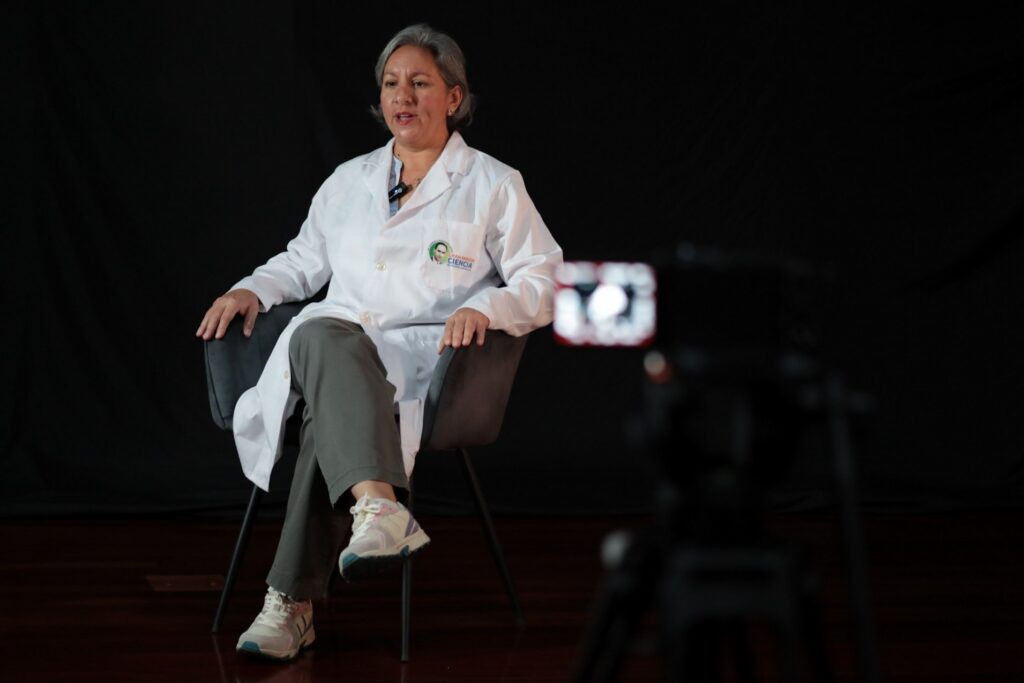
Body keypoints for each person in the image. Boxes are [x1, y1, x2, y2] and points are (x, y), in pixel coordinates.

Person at [195, 23, 562, 661]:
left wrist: (486, 304)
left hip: (423, 370)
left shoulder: (493, 185)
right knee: (323, 336)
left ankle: (291, 602)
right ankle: (377, 506)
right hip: (332, 348)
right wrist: (249, 289)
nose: (403, 96)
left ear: (453, 96)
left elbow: (546, 279)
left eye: (420, 82)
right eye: (392, 83)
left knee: (327, 402)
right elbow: (301, 262)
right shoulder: (350, 180)